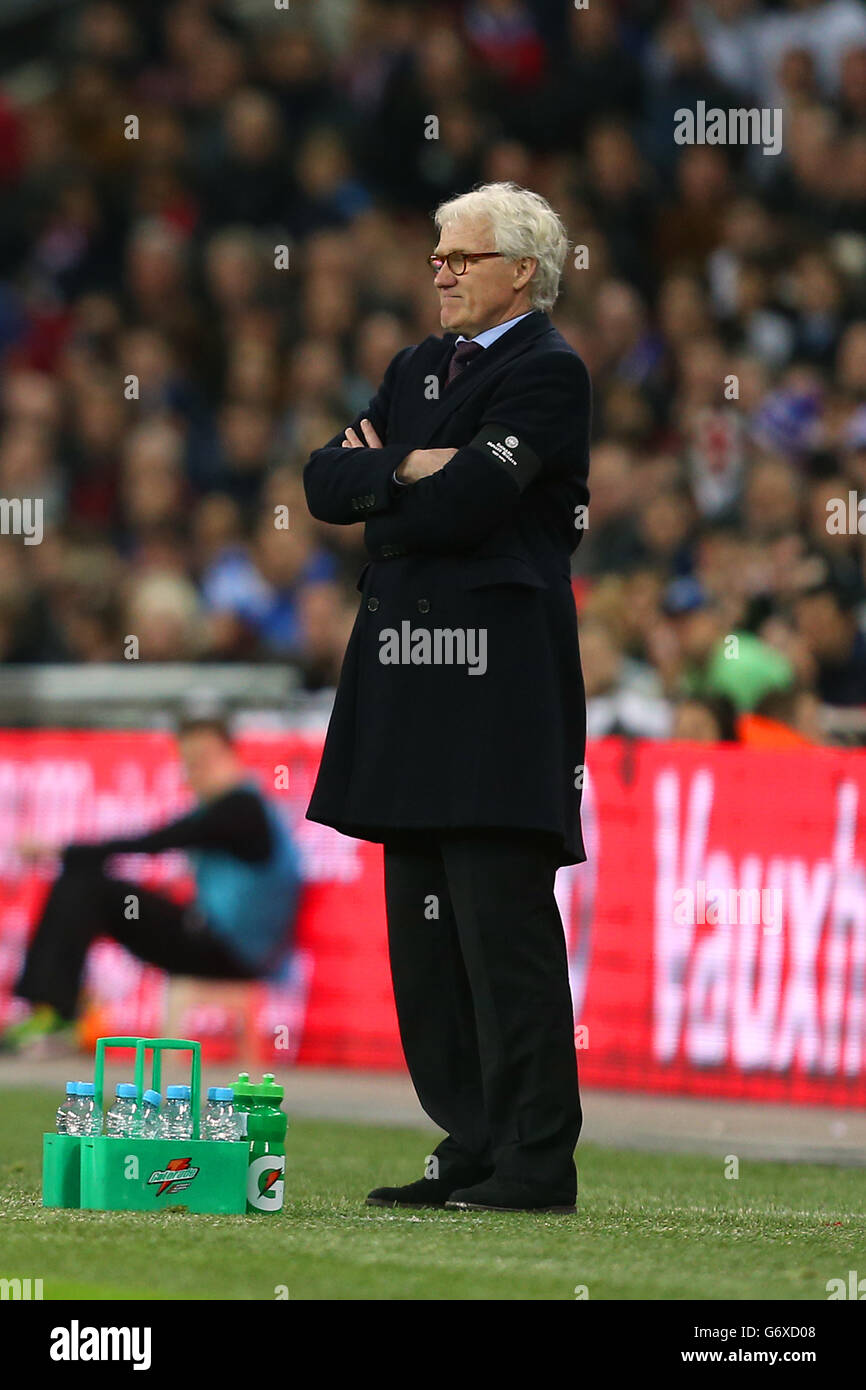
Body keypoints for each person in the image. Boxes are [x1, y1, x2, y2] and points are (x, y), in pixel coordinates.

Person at [303, 182, 591, 1214]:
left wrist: (390, 484)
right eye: (435, 252)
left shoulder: (549, 371)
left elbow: (473, 498)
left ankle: (532, 1160)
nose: (438, 268)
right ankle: (468, 1140)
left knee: (498, 927)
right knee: (423, 943)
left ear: (521, 269)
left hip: (494, 686)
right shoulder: (414, 367)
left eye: (460, 255)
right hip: (405, 682)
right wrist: (410, 478)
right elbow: (319, 486)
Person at [2, 716, 302, 1055]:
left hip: (230, 952)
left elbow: (153, 841)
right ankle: (54, 1010)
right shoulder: (233, 809)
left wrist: (59, 850)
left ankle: (54, 1012)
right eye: (189, 764)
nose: (195, 772)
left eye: (203, 760)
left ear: (232, 756)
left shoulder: (240, 808)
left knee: (86, 886)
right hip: (223, 944)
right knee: (83, 881)